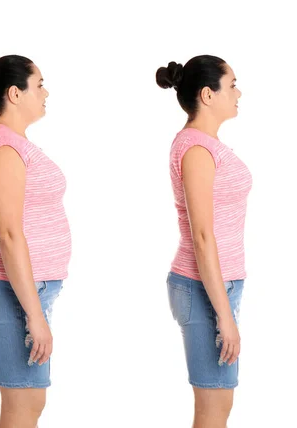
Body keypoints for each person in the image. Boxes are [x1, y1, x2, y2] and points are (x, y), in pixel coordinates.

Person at [0, 55, 72, 428]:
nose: (45, 92)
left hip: (25, 288)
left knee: (30, 400)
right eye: (38, 84)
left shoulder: (11, 143)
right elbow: (9, 235)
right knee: (22, 404)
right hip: (12, 288)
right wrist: (35, 317)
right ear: (15, 93)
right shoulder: (3, 149)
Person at [157, 55, 252, 428]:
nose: (238, 92)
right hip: (204, 288)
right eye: (231, 85)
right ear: (207, 95)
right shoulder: (197, 149)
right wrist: (224, 316)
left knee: (220, 403)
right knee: (213, 409)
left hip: (217, 284)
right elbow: (201, 236)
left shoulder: (206, 145)